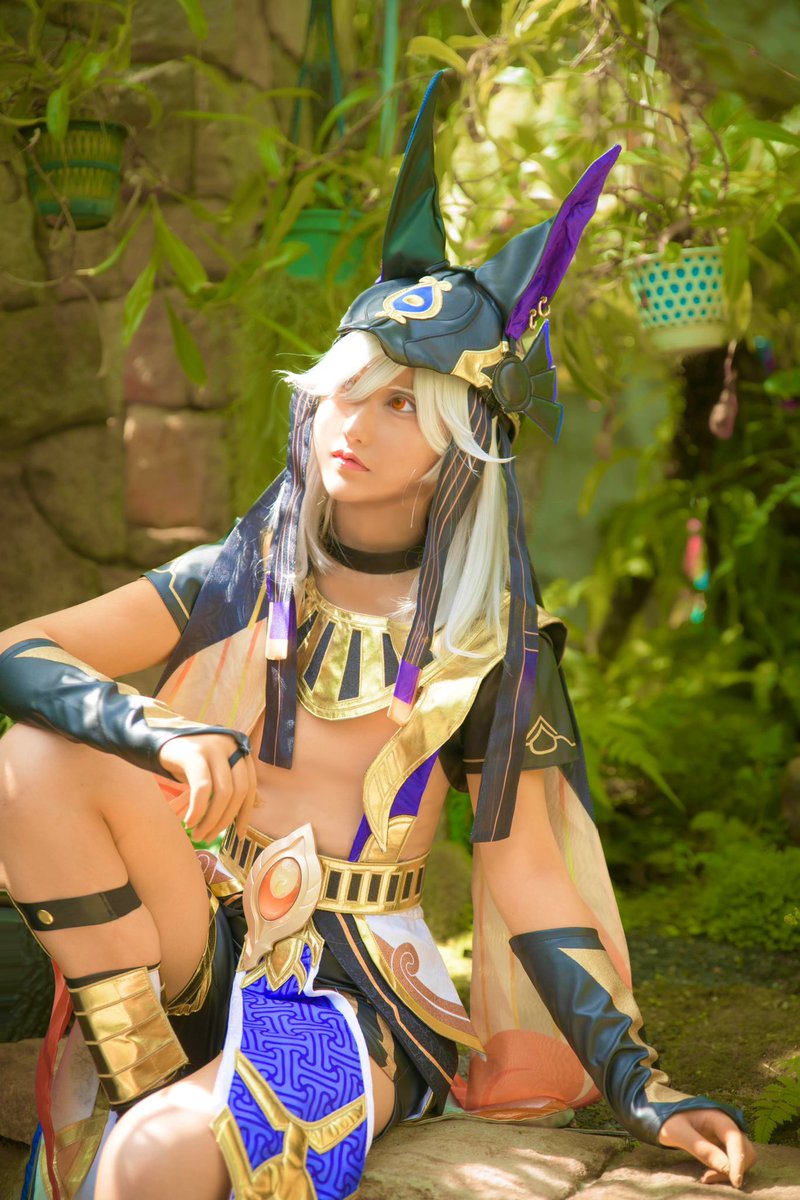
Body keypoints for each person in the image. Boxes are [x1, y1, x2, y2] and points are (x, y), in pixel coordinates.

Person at [0, 72, 756, 1200]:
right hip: (195, 935)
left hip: (354, 988)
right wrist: (161, 733)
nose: (353, 424)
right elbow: (19, 651)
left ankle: (166, 1117)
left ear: (461, 443)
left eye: (402, 403)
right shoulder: (240, 573)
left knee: (155, 1159)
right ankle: (139, 1072)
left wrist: (644, 1085)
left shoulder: (494, 648)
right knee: (37, 755)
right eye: (347, 391)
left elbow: (530, 880)